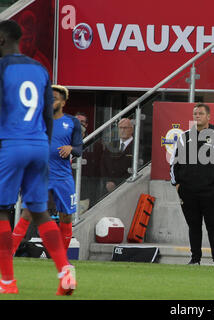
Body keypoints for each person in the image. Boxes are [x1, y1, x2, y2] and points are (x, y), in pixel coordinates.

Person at [0, 20, 75, 295]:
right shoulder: (41, 70)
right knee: (41, 211)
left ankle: (7, 282)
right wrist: (44, 142)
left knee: (1, 211)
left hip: (11, 143)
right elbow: (47, 115)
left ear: (1, 40)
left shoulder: (2, 68)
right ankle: (65, 271)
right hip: (39, 144)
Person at [12, 84, 83, 253]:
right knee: (27, 213)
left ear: (63, 102)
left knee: (66, 216)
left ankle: (62, 257)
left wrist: (71, 149)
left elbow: (79, 148)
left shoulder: (72, 122)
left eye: (55, 98)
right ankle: (10, 253)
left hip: (63, 177)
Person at [170, 103, 214, 266]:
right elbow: (173, 164)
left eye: (201, 113)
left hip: (210, 193)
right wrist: (177, 185)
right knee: (194, 227)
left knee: (213, 228)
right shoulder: (183, 138)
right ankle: (195, 259)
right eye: (195, 113)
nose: (197, 116)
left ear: (208, 117)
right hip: (187, 192)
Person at [101, 118, 134, 193]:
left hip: (127, 187)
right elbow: (103, 164)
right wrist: (107, 181)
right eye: (120, 128)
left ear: (132, 129)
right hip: (108, 187)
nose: (122, 130)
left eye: (125, 128)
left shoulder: (138, 146)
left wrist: (119, 184)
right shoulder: (111, 144)